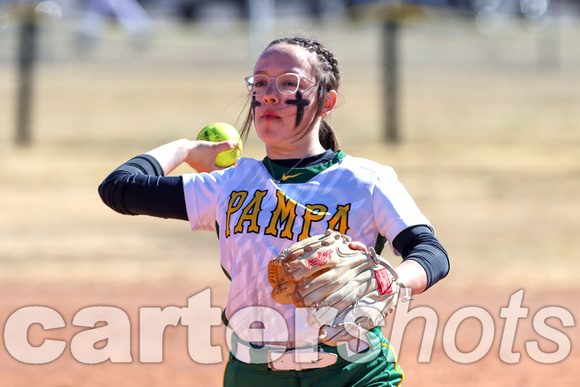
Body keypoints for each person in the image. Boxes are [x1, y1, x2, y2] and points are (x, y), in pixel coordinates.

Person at [98, 36, 449, 386]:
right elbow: (118, 189)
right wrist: (185, 149)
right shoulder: (230, 185)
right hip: (253, 375)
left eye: (289, 83)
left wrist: (392, 281)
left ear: (326, 102)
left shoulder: (366, 181)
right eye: (261, 82)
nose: (269, 94)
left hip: (354, 373)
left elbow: (429, 252)